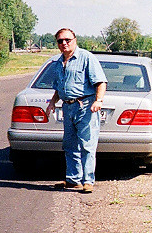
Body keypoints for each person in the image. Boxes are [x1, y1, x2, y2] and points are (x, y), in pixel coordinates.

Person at [43, 28, 108, 193]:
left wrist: (98, 101)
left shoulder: (86, 58)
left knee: (87, 144)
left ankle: (88, 181)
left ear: (75, 40)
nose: (64, 43)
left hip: (85, 106)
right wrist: (52, 103)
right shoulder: (58, 62)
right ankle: (73, 179)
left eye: (67, 40)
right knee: (70, 145)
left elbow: (101, 82)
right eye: (60, 41)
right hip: (67, 107)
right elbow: (59, 87)